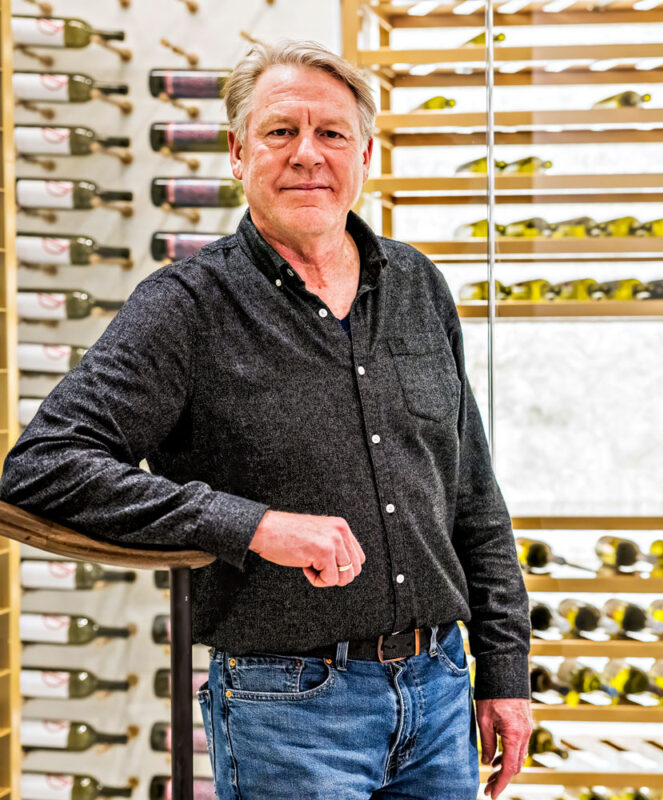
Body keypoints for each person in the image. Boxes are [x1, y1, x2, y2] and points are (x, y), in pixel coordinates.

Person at [0, 40, 532, 799]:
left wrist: (505, 670)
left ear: (367, 155)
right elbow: (45, 466)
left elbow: (473, 495)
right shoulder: (186, 306)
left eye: (332, 134)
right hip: (288, 708)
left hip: (440, 688)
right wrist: (251, 525)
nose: (307, 155)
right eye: (281, 132)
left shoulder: (418, 284)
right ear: (237, 152)